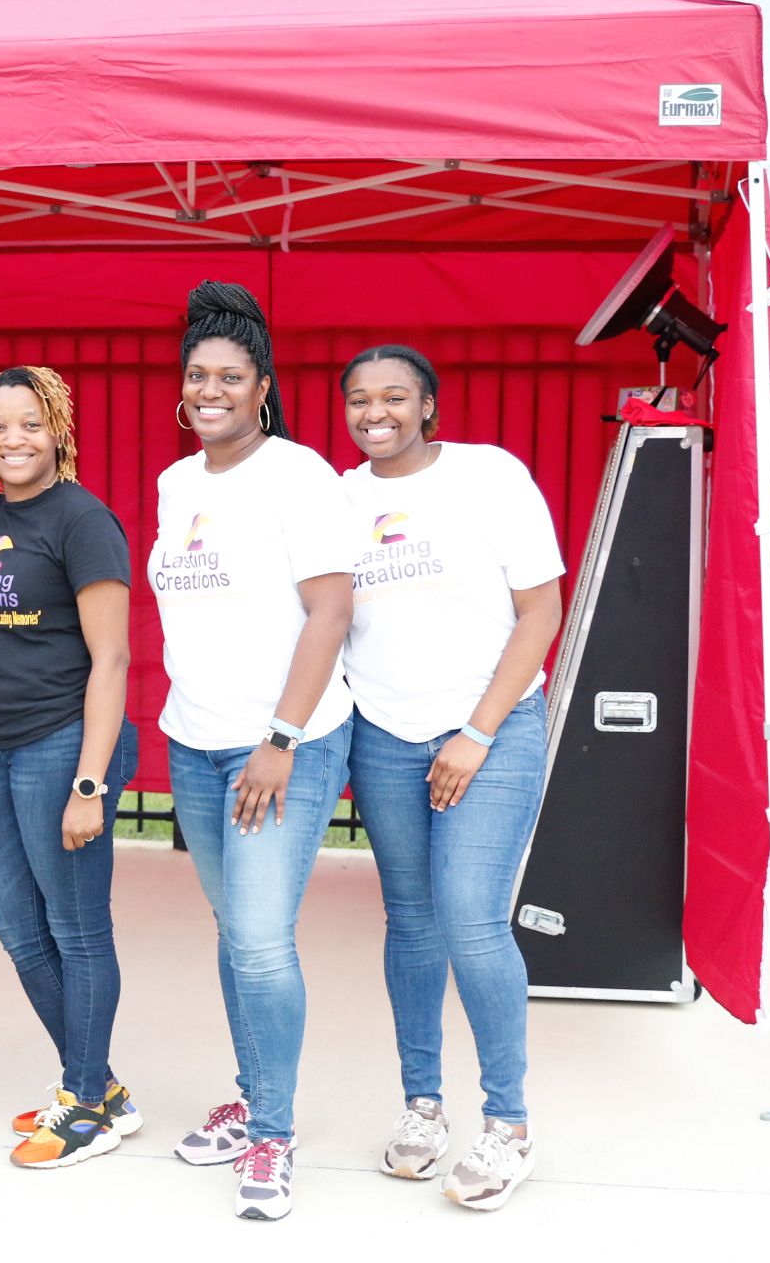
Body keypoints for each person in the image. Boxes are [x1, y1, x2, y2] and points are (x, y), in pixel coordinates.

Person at [148, 282, 357, 1221]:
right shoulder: (177, 484)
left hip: (280, 746)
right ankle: (252, 1095)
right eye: (198, 375)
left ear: (262, 388)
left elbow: (331, 612)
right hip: (194, 741)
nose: (211, 390)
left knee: (264, 944)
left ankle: (272, 1130)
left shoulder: (299, 475)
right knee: (237, 934)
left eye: (230, 377)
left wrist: (279, 738)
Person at [338, 344, 562, 1212]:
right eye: (360, 399)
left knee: (471, 917)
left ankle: (508, 1122)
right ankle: (423, 1106)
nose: (376, 413)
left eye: (394, 396)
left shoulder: (489, 477)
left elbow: (540, 610)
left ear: (427, 404)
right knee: (412, 921)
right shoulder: (340, 498)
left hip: (491, 730)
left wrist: (476, 731)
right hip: (384, 733)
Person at [0, 366, 139, 1170]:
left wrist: (89, 783)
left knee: (76, 929)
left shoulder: (83, 520)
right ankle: (97, 1085)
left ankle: (85, 1105)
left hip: (62, 746)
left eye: (30, 423)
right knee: (18, 928)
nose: (14, 439)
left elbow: (112, 659)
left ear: (58, 430)